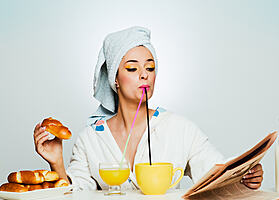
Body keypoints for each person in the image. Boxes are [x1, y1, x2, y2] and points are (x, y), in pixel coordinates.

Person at [33, 26, 263, 191]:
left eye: (150, 68)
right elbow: (72, 193)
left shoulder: (180, 128)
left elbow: (216, 171)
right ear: (115, 79)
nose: (144, 75)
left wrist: (245, 176)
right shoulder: (90, 138)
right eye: (132, 69)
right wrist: (57, 162)